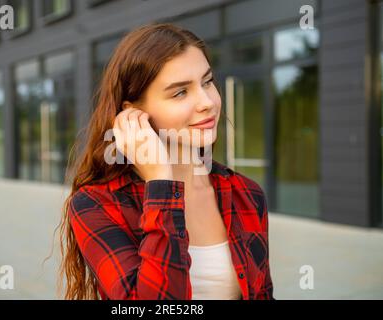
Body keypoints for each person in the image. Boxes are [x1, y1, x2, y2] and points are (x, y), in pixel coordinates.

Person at [57, 23, 274, 300]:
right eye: (180, 92)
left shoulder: (247, 194)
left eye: (207, 82)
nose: (207, 101)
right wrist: (161, 182)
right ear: (134, 113)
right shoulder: (97, 204)